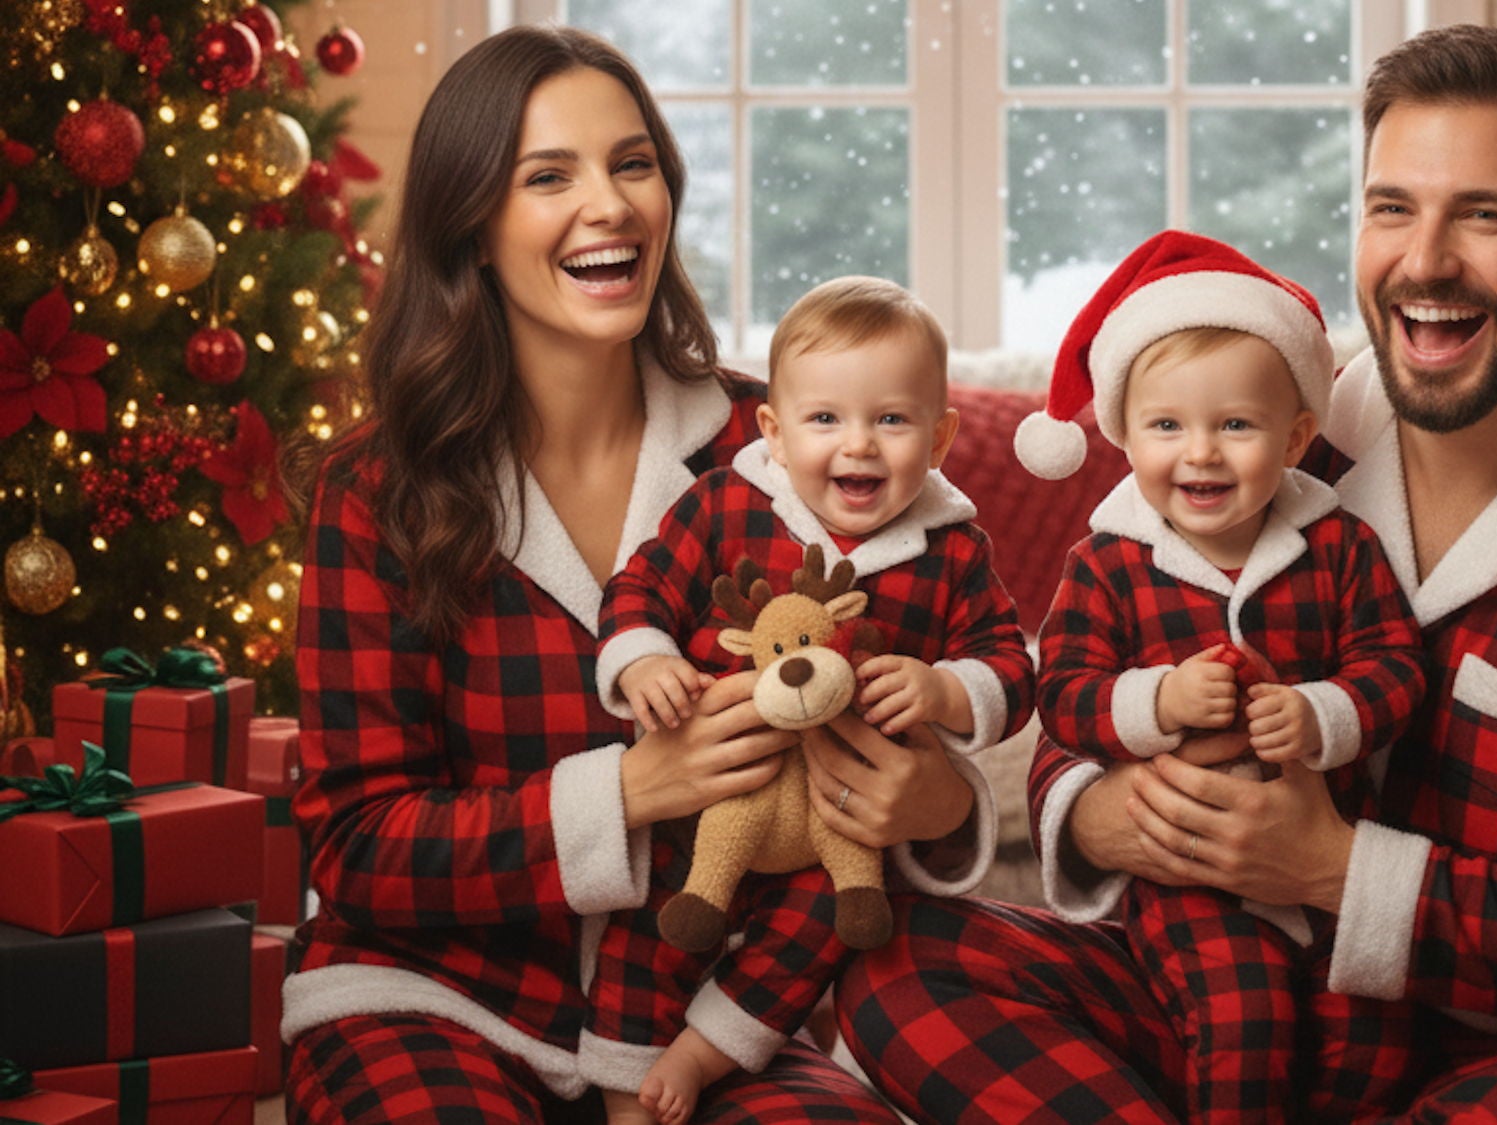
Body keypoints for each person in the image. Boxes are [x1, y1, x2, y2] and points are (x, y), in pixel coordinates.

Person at [837, 24, 1497, 1125]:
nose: (1424, 261)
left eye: (1483, 215)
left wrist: (1333, 869)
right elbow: (1076, 718)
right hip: (1236, 995)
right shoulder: (1273, 445)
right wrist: (1108, 816)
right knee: (894, 968)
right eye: (1392, 208)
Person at [284, 27, 988, 1124]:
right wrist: (627, 794)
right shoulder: (376, 491)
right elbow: (358, 844)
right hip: (427, 995)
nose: (608, 204)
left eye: (632, 163)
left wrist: (940, 800)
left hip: (693, 1025)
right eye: (547, 176)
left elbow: (928, 666)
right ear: (472, 224)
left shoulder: (781, 454)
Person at [592, 275, 1034, 1125]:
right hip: (713, 793)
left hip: (835, 832)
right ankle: (624, 1091)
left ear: (940, 436)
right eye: (825, 419)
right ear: (775, 430)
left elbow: (1011, 668)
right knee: (652, 923)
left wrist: (946, 688)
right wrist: (643, 661)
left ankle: (705, 1051)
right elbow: (641, 585)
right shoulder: (728, 503)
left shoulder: (953, 551)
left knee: (825, 929)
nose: (858, 446)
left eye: (892, 420)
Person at [1012, 230, 1427, 1122]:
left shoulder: (1339, 546)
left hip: (1328, 857)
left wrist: (1321, 713)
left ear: (1296, 436)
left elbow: (1396, 667)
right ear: (1123, 434)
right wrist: (1155, 699)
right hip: (1188, 881)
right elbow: (1065, 695)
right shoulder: (1108, 564)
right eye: (1167, 426)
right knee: (1247, 1018)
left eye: (1235, 424)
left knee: (1376, 1032)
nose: (1199, 453)